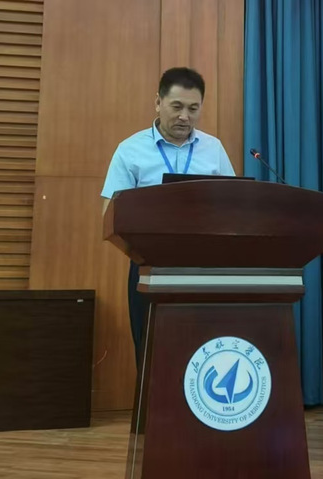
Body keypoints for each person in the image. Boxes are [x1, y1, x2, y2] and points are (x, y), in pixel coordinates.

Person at [101, 67, 236, 368]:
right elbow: (110, 215)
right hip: (150, 267)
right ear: (158, 103)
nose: (184, 117)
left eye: (193, 109)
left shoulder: (213, 149)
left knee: (202, 354)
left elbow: (232, 207)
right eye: (177, 107)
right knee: (151, 352)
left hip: (203, 268)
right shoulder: (130, 151)